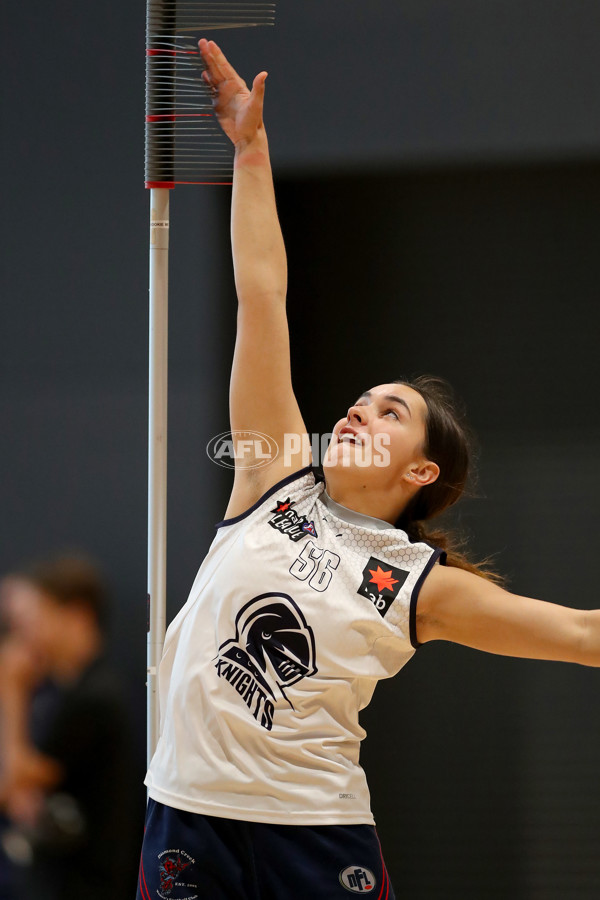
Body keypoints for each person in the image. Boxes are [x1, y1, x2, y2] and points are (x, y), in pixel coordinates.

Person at [136, 40, 600, 900]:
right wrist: (250, 153)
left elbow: (581, 636)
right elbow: (263, 293)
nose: (357, 411)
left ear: (422, 472)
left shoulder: (418, 585)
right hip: (188, 814)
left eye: (390, 413)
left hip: (315, 834)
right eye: (360, 399)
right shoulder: (273, 477)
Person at [0, 557, 140, 900]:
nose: (32, 629)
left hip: (93, 883)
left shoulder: (94, 698)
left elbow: (17, 779)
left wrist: (10, 687)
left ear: (77, 617)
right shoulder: (73, 690)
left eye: (43, 614)